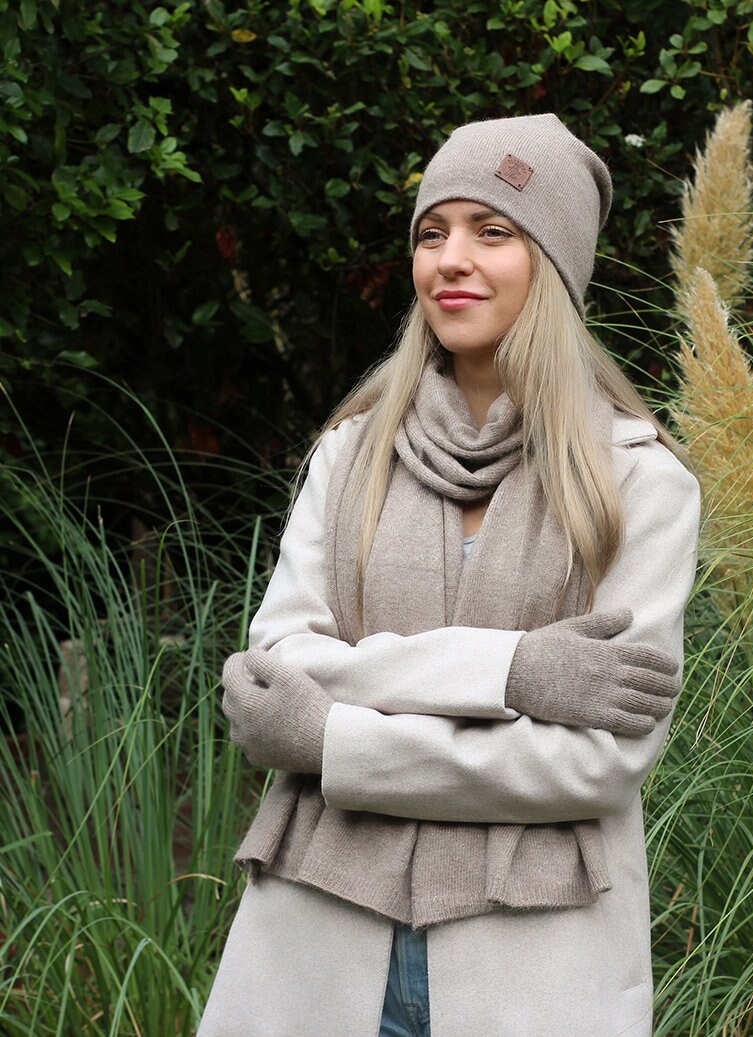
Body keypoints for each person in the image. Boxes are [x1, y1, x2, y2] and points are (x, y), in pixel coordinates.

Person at [198, 114, 700, 1037]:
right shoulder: (351, 456)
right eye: (433, 233)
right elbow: (278, 668)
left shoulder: (638, 482)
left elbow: (597, 762)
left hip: (532, 973)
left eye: (492, 231)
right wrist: (513, 674)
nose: (450, 260)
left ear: (553, 264)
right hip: (319, 953)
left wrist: (334, 742)